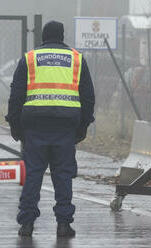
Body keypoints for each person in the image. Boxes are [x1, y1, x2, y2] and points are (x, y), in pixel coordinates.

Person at [5, 21, 95, 237]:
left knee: (33, 175)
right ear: (62, 36)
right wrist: (82, 127)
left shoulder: (29, 59)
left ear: (43, 37)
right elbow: (88, 97)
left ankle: (26, 224)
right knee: (63, 175)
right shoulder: (77, 59)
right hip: (65, 128)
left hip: (34, 127)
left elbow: (16, 96)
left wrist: (16, 127)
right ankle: (63, 224)